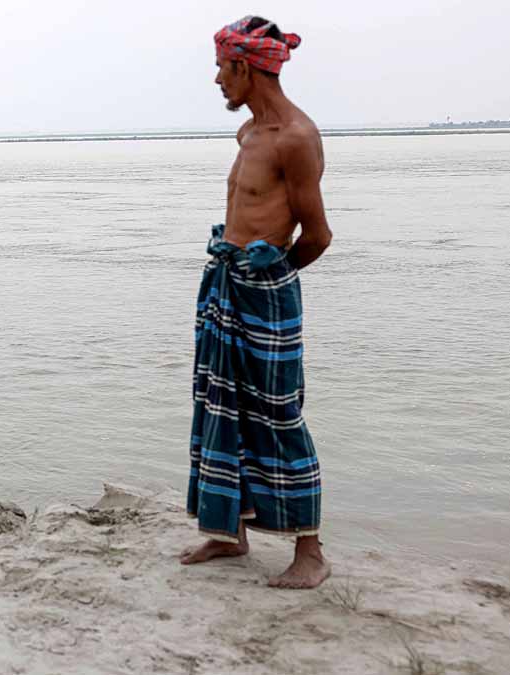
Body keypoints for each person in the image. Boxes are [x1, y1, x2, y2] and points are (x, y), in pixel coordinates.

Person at [180, 16, 332, 590]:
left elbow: (317, 235)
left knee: (279, 416)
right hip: (225, 285)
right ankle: (229, 533)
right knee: (220, 406)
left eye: (222, 68)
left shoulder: (296, 138)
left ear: (244, 67)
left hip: (265, 294)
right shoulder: (248, 134)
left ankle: (310, 552)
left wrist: (271, 275)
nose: (217, 79)